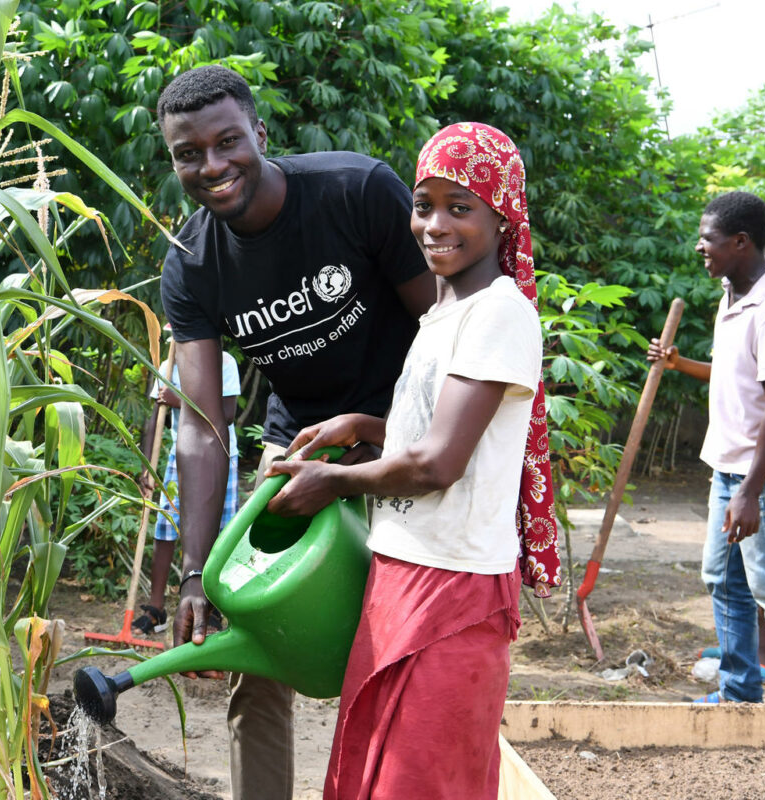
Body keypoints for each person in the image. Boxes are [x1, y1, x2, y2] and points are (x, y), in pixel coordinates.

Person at [157, 63, 437, 800]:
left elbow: (447, 337)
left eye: (227, 142)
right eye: (189, 154)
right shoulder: (191, 262)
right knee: (261, 662)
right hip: (296, 453)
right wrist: (195, 571)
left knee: (400, 646)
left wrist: (394, 440)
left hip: (403, 437)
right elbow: (200, 425)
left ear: (261, 133)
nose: (211, 166)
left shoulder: (356, 191)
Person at [266, 122, 558, 798]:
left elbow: (436, 464)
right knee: (376, 770)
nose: (435, 224)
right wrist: (362, 425)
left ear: (502, 216)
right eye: (424, 204)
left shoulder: (498, 312)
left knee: (422, 780)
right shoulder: (442, 317)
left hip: (454, 584)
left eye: (461, 207)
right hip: (402, 567)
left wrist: (332, 482)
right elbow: (429, 432)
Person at [647, 190, 765, 703]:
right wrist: (680, 364)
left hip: (759, 476)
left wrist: (751, 489)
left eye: (709, 241)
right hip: (728, 469)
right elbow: (736, 375)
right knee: (723, 581)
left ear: (741, 242)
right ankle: (740, 690)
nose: (701, 249)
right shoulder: (733, 291)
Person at [133, 348, 241, 634]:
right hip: (180, 454)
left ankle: (211, 606)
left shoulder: (224, 362)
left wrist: (179, 400)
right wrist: (147, 466)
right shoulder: (167, 368)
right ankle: (156, 608)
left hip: (219, 454)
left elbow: (228, 413)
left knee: (219, 530)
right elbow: (155, 418)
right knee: (165, 526)